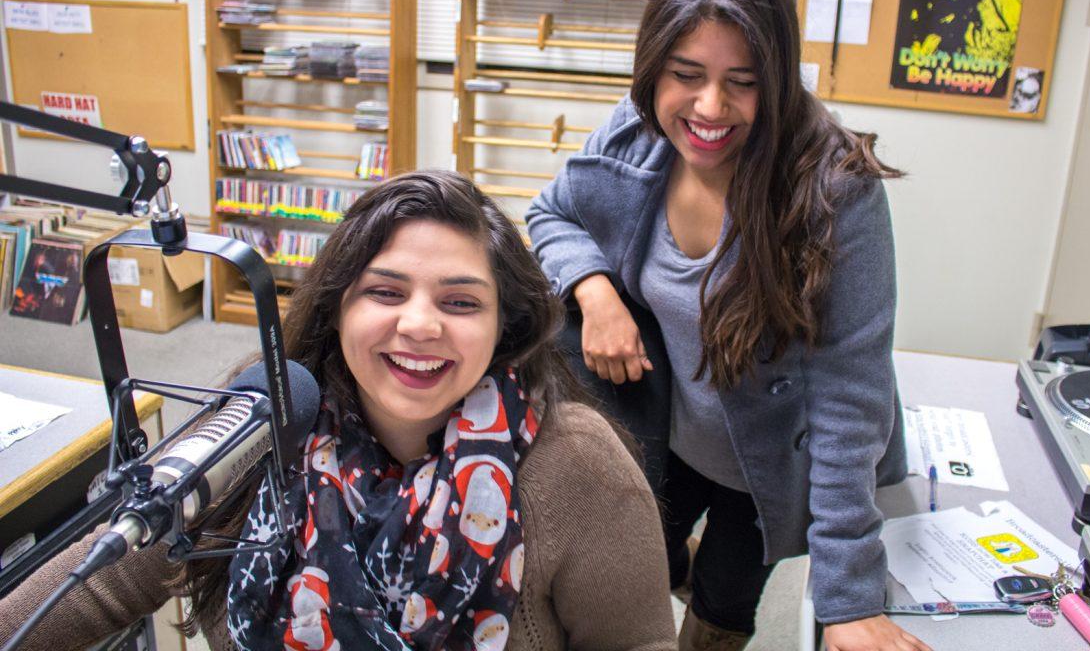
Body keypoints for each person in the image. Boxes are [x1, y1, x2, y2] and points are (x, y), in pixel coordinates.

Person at [0, 171, 676, 651]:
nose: (419, 325)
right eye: (385, 291)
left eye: (460, 302)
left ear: (506, 326)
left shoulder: (576, 464)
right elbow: (98, 589)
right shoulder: (262, 419)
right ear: (337, 306)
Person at [527, 0, 925, 651]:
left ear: (776, 77)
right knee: (634, 569)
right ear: (655, 68)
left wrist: (849, 598)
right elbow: (550, 214)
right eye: (686, 76)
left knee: (722, 607)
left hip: (770, 467)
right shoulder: (634, 132)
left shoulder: (837, 192)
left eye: (741, 82)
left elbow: (849, 401)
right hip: (668, 432)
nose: (709, 108)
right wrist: (595, 290)